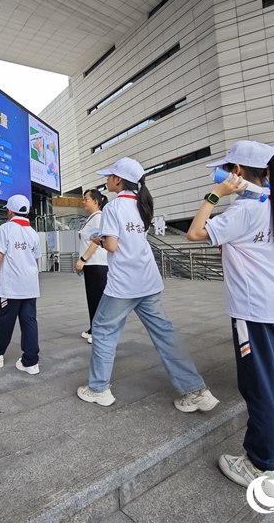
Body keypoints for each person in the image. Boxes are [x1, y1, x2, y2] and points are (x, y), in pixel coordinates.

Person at [186, 140, 274, 496]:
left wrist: (214, 194)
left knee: (261, 386)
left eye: (227, 170)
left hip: (254, 310)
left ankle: (259, 464)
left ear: (237, 172)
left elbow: (195, 232)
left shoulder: (244, 211)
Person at [76, 157, 219, 414]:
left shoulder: (113, 208)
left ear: (118, 180)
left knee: (103, 330)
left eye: (110, 176)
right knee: (165, 334)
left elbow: (112, 246)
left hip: (124, 283)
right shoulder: (142, 205)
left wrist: (98, 239)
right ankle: (196, 390)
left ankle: (98, 389)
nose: (107, 180)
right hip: (148, 280)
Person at [0, 194, 42, 374]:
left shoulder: (6, 229)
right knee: (29, 322)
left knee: (5, 321)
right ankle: (31, 361)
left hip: (11, 286)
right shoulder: (33, 233)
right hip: (30, 286)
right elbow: (35, 258)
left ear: (10, 210)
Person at [75, 189, 108, 344]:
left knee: (97, 299)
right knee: (92, 298)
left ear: (96, 201)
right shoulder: (92, 218)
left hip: (97, 264)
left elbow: (96, 243)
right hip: (92, 265)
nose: (83, 202)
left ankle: (100, 332)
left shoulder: (99, 218)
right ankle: (93, 328)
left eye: (86, 199)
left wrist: (83, 259)